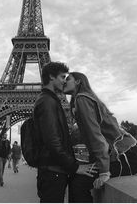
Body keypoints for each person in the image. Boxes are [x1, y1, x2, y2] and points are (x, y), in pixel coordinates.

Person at [63, 72, 137, 202]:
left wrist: (104, 172)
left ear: (78, 81)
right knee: (77, 181)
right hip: (129, 153)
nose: (64, 81)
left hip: (127, 156)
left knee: (78, 185)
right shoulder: (84, 100)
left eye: (68, 79)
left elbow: (96, 138)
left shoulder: (82, 99)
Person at [33, 62, 98, 203]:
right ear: (51, 77)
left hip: (53, 170)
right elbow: (53, 141)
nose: (64, 81)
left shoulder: (49, 100)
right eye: (62, 77)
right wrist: (75, 167)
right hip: (53, 171)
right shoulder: (47, 101)